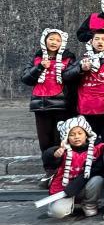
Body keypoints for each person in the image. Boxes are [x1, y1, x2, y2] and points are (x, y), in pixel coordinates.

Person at [21, 28, 76, 188]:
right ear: (45, 41)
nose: (54, 42)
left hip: (61, 105)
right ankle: (49, 171)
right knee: (44, 141)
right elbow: (26, 78)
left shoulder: (68, 59)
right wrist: (39, 67)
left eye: (58, 40)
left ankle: (61, 170)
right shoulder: (37, 58)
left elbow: (72, 77)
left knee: (60, 139)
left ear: (62, 43)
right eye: (51, 39)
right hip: (41, 105)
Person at [63, 29, 104, 141]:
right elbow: (66, 76)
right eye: (97, 39)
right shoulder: (83, 59)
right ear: (91, 41)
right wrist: (80, 68)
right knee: (88, 141)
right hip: (84, 108)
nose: (100, 42)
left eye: (103, 39)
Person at [42, 116, 104, 218]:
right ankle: (63, 205)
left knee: (98, 179)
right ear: (66, 136)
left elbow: (100, 167)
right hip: (64, 189)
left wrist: (77, 183)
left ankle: (89, 204)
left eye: (80, 133)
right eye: (72, 134)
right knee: (57, 212)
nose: (76, 137)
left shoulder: (97, 149)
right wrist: (54, 155)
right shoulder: (62, 150)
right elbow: (47, 159)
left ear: (86, 134)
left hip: (84, 186)